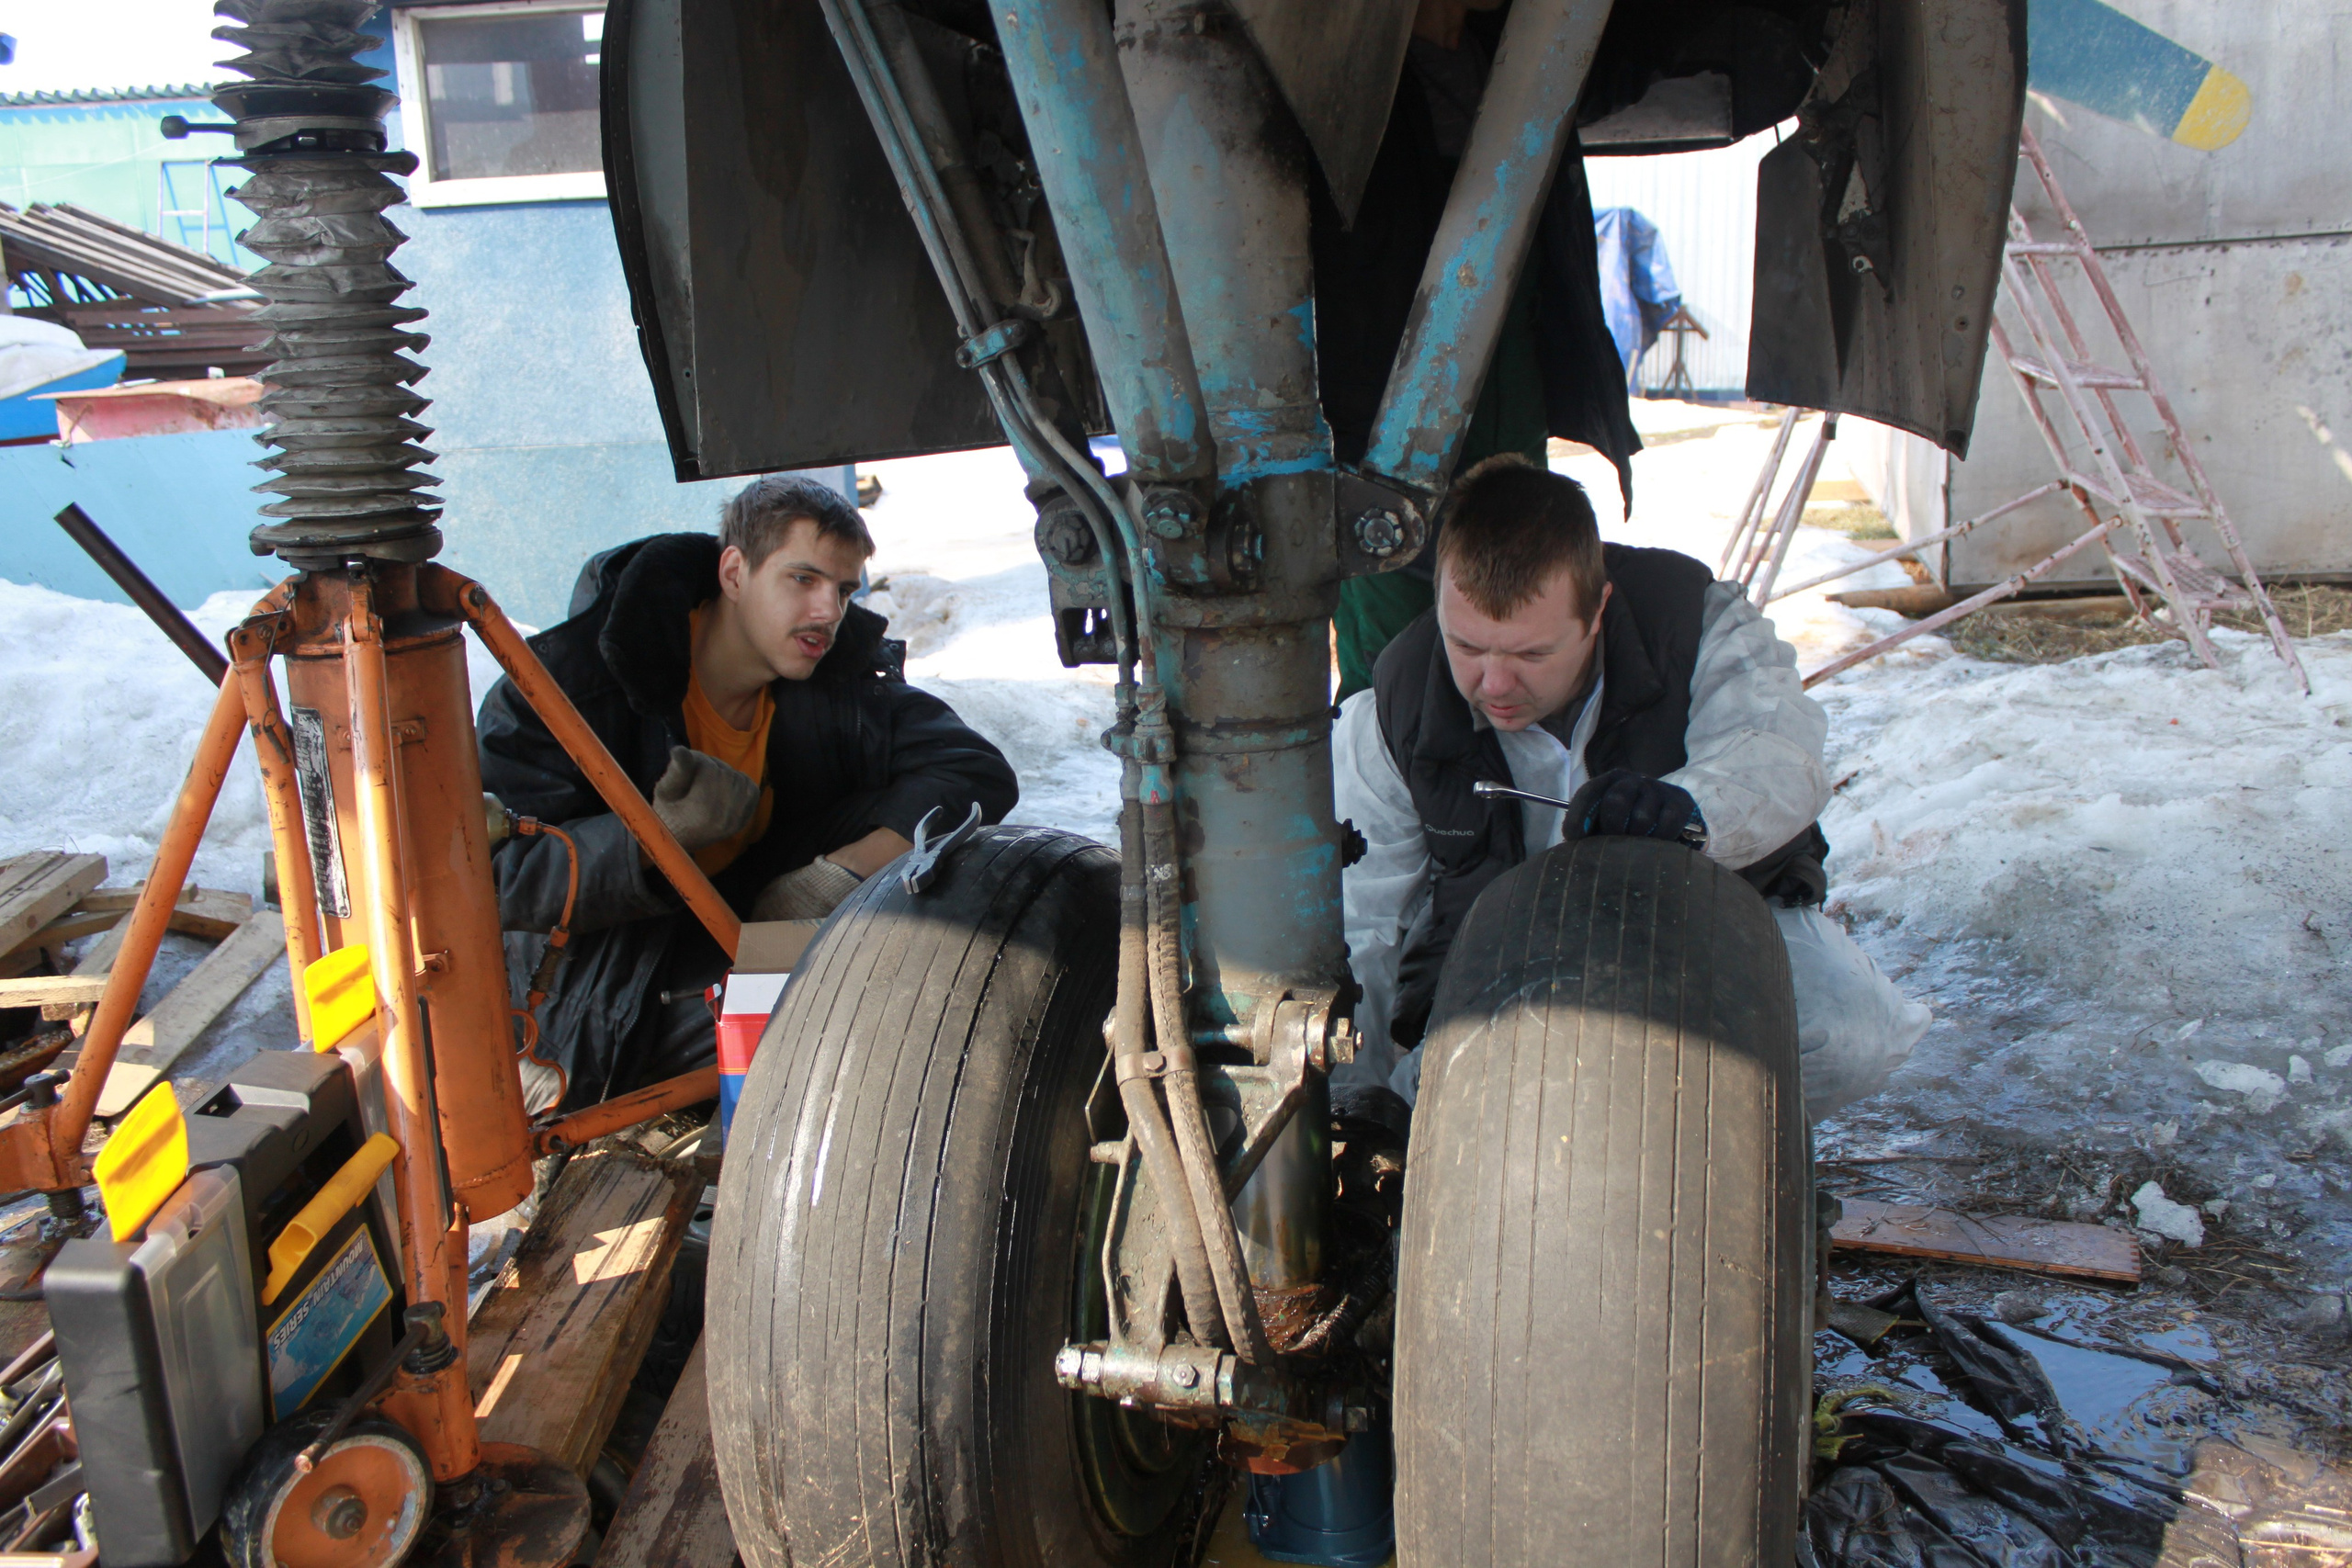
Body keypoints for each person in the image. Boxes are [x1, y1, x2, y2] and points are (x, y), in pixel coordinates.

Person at [1333, 455, 1929, 1121]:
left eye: (1532, 654)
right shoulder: (1395, 705)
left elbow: (1779, 752)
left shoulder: (1695, 622)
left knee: (1850, 1034)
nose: (1494, 684)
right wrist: (1356, 1102)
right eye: (1467, 647)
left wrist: (1690, 810)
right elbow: (1364, 927)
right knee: (1421, 1106)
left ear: (1597, 610)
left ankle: (1719, 1143)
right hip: (1500, 969)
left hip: (1699, 930)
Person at [479, 474, 1019, 1111]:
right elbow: (496, 878)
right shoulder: (563, 691)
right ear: (735, 572)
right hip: (600, 1009)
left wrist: (839, 873)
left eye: (844, 589)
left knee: (940, 888)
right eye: (803, 579)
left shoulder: (832, 682)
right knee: (857, 1005)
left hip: (739, 937)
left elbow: (976, 769)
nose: (828, 611)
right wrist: (650, 841)